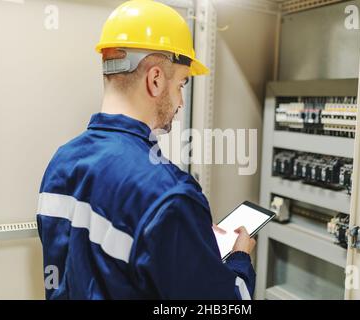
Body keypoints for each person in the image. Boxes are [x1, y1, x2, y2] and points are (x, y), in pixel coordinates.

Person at [36, 0, 256, 300]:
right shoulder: (170, 196)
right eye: (182, 84)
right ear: (155, 79)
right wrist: (240, 258)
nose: (181, 103)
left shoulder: (61, 162)